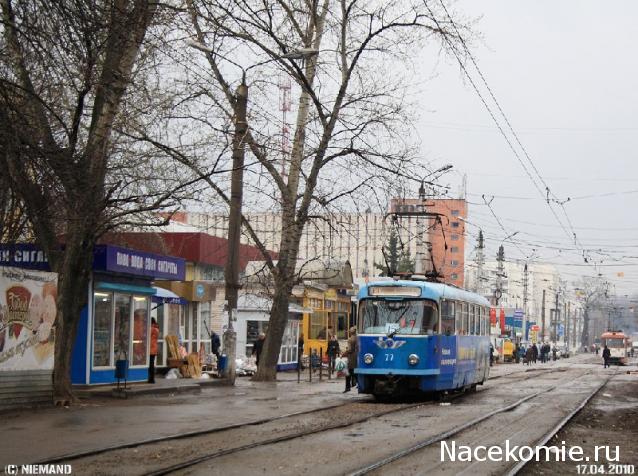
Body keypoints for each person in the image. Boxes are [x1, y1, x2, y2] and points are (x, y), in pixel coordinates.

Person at [343, 327, 358, 392]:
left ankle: (347, 387)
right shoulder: (358, 338)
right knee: (353, 371)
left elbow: (349, 350)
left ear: (350, 332)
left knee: (348, 372)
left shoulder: (350, 339)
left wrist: (343, 353)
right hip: (357, 356)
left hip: (351, 357)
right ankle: (355, 383)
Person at [148, 318, 159, 384]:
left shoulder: (153, 329)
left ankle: (151, 379)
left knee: (151, 364)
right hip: (153, 349)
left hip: (151, 349)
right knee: (151, 364)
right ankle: (151, 378)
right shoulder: (156, 329)